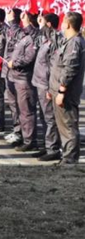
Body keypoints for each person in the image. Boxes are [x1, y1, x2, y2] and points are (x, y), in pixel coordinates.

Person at [49, 11, 85, 165]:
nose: (62, 25)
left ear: (69, 24)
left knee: (68, 126)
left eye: (64, 22)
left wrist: (61, 91)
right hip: (59, 90)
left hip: (67, 93)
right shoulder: (69, 41)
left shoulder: (75, 43)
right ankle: (68, 157)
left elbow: (70, 68)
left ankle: (70, 160)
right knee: (64, 126)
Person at [7, 11, 40, 152]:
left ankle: (30, 140)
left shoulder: (34, 36)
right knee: (21, 111)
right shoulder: (25, 36)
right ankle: (25, 136)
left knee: (27, 111)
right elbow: (15, 32)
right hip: (17, 78)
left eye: (25, 16)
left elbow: (28, 58)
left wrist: (14, 63)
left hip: (24, 79)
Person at [31, 13, 62, 161]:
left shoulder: (55, 40)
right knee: (43, 116)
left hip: (46, 84)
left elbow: (54, 65)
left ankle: (53, 149)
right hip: (39, 82)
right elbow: (36, 35)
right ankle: (47, 145)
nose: (39, 23)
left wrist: (51, 88)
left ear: (49, 24)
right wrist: (38, 23)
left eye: (42, 21)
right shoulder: (46, 38)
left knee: (50, 117)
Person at [3, 8, 25, 146]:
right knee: (12, 104)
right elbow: (2, 29)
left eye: (10, 13)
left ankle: (21, 133)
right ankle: (17, 130)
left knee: (19, 106)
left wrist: (13, 20)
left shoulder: (19, 32)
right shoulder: (10, 30)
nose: (8, 14)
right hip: (9, 72)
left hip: (17, 73)